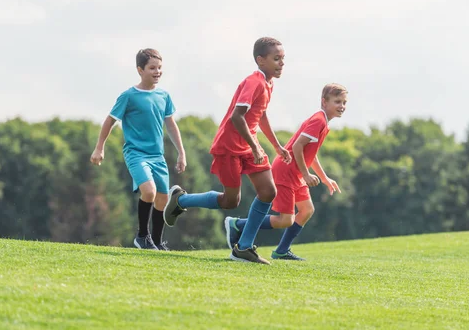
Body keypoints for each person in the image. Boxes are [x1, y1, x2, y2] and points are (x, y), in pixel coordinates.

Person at [163, 37, 291, 264]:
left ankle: (243, 248)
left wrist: (276, 146)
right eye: (276, 59)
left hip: (249, 145)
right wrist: (254, 146)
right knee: (231, 201)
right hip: (230, 146)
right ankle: (181, 200)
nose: (281, 63)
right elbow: (237, 116)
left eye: (283, 59)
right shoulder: (254, 82)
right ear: (260, 60)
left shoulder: (269, 83)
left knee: (268, 192)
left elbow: (259, 115)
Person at [225, 83, 348, 261]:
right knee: (285, 220)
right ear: (324, 102)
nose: (342, 106)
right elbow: (298, 146)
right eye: (337, 101)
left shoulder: (324, 123)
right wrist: (306, 175)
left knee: (306, 210)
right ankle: (238, 224)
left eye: (344, 102)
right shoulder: (319, 120)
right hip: (286, 171)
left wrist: (325, 178)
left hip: (296, 174)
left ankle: (282, 251)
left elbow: (310, 154)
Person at [90, 48, 186, 251]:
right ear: (140, 70)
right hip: (136, 153)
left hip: (157, 155)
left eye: (160, 68)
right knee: (149, 192)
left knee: (162, 197)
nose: (157, 71)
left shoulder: (163, 95)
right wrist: (100, 148)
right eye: (152, 68)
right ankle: (142, 236)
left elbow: (171, 124)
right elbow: (110, 121)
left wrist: (181, 152)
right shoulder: (129, 96)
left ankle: (158, 242)